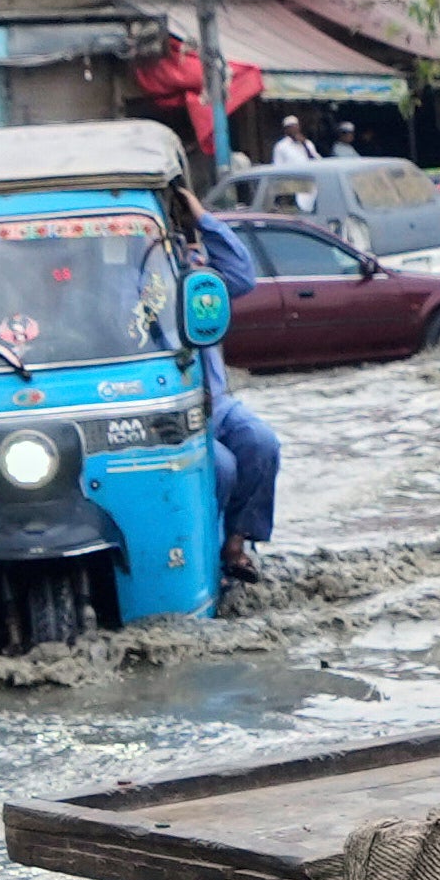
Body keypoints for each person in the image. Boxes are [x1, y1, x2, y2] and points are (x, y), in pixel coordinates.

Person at [160, 181, 284, 581]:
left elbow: (242, 276)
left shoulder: (195, 270)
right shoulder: (136, 277)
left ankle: (236, 542)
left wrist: (201, 215)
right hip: (175, 401)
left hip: (217, 401)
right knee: (224, 468)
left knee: (261, 444)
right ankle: (202, 555)